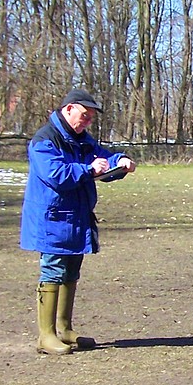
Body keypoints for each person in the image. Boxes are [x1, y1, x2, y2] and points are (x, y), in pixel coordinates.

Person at [20, 89, 136, 355]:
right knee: (53, 270)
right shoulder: (45, 140)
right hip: (53, 218)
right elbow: (56, 174)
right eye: (85, 116)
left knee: (71, 271)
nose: (87, 122)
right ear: (69, 109)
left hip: (76, 217)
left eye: (91, 118)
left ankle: (65, 328)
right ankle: (45, 335)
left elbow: (102, 156)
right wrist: (89, 169)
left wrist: (121, 161)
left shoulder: (81, 139)